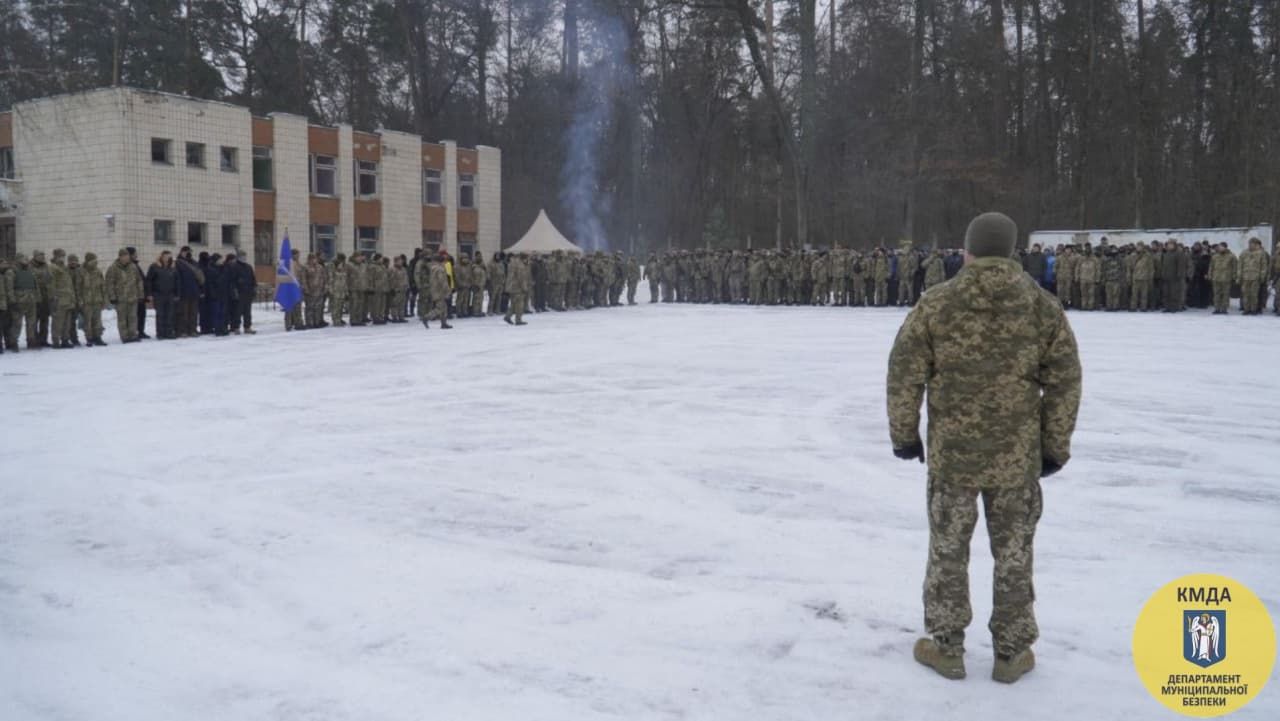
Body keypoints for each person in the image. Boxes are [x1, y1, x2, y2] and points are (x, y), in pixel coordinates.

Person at [887, 212, 1081, 684]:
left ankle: (947, 647)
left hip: (954, 457)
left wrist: (905, 436)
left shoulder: (937, 303)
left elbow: (904, 374)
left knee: (948, 550)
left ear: (969, 250)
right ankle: (1012, 654)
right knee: (1014, 552)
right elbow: (1064, 382)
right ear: (1011, 251)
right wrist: (1054, 448)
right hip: (1016, 458)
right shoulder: (1041, 306)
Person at [105, 248, 144, 343]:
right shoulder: (113, 268)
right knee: (122, 318)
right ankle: (125, 336)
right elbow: (109, 283)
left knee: (133, 317)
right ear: (120, 257)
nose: (127, 258)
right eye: (124, 256)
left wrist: (140, 294)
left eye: (127, 256)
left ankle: (133, 335)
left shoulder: (133, 267)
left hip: (132, 297)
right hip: (120, 298)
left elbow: (139, 281)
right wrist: (112, 297)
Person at [145, 250, 180, 339]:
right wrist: (149, 294)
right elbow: (149, 281)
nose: (167, 258)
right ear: (161, 257)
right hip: (158, 294)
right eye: (166, 256)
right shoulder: (154, 266)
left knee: (169, 314)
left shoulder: (173, 267)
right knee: (160, 314)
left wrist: (177, 293)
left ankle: (169, 332)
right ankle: (160, 333)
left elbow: (177, 281)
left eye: (169, 256)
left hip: (170, 294)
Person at [48, 249, 78, 348]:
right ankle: (56, 341)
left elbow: (69, 284)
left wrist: (72, 297)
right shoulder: (53, 268)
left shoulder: (64, 268)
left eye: (63, 256)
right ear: (56, 256)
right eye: (60, 256)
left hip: (68, 299)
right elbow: (51, 284)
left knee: (67, 322)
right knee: (57, 322)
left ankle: (65, 339)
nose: (62, 258)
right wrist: (54, 297)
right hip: (59, 299)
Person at [79, 253, 108, 346]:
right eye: (93, 261)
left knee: (98, 321)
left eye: (95, 261)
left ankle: (98, 337)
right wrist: (80, 300)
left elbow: (103, 286)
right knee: (88, 321)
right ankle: (89, 338)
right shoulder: (81, 272)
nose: (95, 263)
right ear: (88, 261)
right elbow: (77, 287)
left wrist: (104, 299)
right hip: (86, 301)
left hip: (97, 300)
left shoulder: (98, 271)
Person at [175, 246, 204, 338]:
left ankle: (193, 329)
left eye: (189, 252)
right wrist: (178, 292)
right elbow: (177, 279)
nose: (188, 254)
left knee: (194, 312)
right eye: (186, 252)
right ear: (181, 252)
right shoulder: (178, 263)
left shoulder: (194, 263)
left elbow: (200, 277)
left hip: (194, 291)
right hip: (183, 291)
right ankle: (182, 330)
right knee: (183, 312)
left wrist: (201, 290)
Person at [226, 253, 257, 334]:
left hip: (248, 292)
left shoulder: (248, 267)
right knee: (238, 311)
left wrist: (254, 288)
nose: (244, 258)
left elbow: (253, 278)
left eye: (244, 256)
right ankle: (236, 327)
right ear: (238, 257)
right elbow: (232, 281)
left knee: (247, 311)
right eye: (242, 257)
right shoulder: (234, 267)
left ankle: (247, 327)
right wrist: (234, 291)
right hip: (239, 292)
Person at [1238, 237, 1269, 315]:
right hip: (1245, 277)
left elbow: (1264, 266)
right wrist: (1239, 276)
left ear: (1256, 244)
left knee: (1254, 294)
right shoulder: (1244, 253)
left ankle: (1253, 309)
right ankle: (1246, 309)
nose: (1250, 245)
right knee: (1245, 294)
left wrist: (1262, 276)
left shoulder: (1261, 253)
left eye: (1252, 244)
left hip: (1255, 277)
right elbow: (1240, 265)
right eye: (1249, 243)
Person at [127, 247, 151, 340]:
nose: (136, 255)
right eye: (134, 253)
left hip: (141, 295)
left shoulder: (136, 265)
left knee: (142, 314)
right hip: (133, 296)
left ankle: (141, 331)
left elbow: (142, 280)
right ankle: (134, 332)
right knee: (134, 315)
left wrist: (146, 294)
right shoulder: (130, 266)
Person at [505, 253, 532, 325]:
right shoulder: (520, 266)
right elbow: (521, 278)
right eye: (527, 259)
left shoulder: (513, 263)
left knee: (514, 303)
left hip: (512, 287)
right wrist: (524, 288)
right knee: (520, 305)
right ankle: (518, 320)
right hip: (517, 287)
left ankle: (508, 316)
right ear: (524, 258)